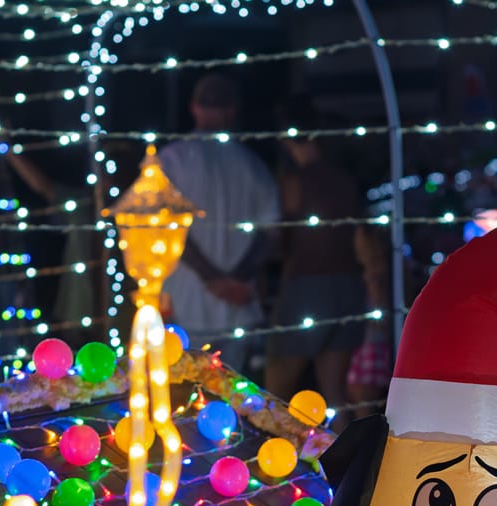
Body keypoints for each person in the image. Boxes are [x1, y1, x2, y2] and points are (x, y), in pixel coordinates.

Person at [157, 75, 280, 364]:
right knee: (232, 387)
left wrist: (214, 280)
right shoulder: (253, 164)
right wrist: (236, 279)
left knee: (184, 386)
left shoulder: (170, 160)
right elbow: (271, 231)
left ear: (193, 107)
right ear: (233, 109)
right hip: (237, 303)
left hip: (188, 302)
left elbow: (164, 228)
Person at [264, 108, 377, 413]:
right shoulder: (346, 181)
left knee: (277, 387)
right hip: (347, 287)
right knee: (334, 394)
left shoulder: (294, 182)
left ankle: (271, 441)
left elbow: (282, 240)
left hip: (305, 287)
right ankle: (341, 443)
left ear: (287, 140)